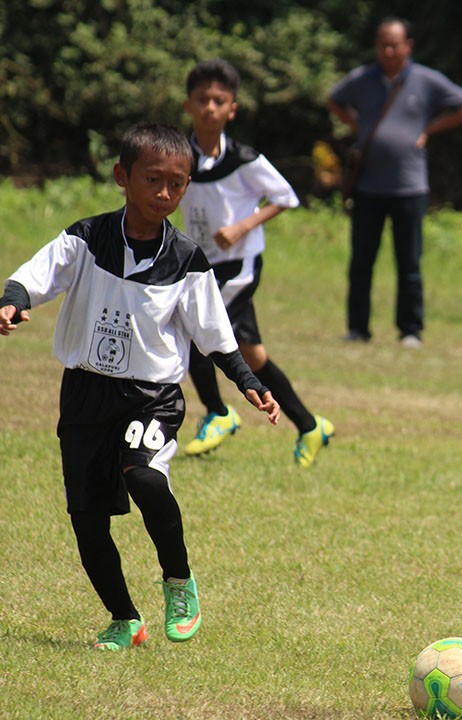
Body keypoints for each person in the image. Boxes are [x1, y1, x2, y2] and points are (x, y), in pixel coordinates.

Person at [0, 123, 281, 650]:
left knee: (145, 476)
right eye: (153, 179)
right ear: (122, 177)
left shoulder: (186, 260)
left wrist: (248, 384)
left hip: (151, 397)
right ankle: (125, 619)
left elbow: (216, 337)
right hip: (85, 393)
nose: (165, 193)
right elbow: (35, 277)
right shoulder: (86, 238)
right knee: (86, 517)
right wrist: (11, 302)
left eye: (178, 184)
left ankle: (179, 581)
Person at [179, 58, 335, 467]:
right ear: (188, 106)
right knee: (253, 357)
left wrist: (242, 226)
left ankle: (217, 413)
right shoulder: (178, 155)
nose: (210, 107)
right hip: (202, 265)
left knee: (198, 331)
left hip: (238, 265)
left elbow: (286, 196)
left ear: (233, 108)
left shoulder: (245, 158)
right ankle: (309, 425)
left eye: (219, 100)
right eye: (202, 100)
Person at [327, 16, 462, 349]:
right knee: (361, 261)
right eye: (382, 43)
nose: (387, 49)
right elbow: (333, 99)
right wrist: (360, 126)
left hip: (409, 187)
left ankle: (410, 329)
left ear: (408, 46)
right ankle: (357, 328)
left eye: (394, 44)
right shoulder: (363, 79)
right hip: (368, 186)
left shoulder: (426, 80)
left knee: (409, 262)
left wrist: (428, 130)